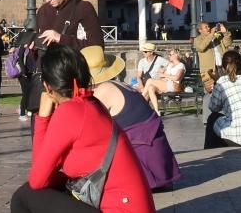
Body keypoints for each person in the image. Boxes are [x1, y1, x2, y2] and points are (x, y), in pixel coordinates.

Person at [10, 44, 154, 213]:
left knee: (24, 196)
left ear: (48, 86)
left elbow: (37, 180)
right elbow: (45, 173)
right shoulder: (92, 104)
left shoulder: (70, 111)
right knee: (55, 187)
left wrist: (42, 118)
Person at [84, 45, 181, 190]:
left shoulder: (103, 90)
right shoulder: (121, 85)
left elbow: (90, 128)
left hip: (146, 172)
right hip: (160, 165)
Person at [139, 49, 186, 113]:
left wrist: (164, 75)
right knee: (151, 87)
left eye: (170, 54)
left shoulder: (181, 65)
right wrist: (162, 73)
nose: (169, 56)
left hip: (174, 85)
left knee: (149, 80)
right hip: (166, 84)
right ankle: (157, 111)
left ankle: (140, 100)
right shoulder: (170, 65)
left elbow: (176, 78)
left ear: (176, 55)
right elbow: (162, 75)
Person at [191, 21, 232, 95]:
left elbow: (228, 43)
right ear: (200, 30)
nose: (208, 28)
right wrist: (211, 34)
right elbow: (201, 47)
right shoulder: (197, 39)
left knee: (226, 91)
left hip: (222, 68)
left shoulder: (217, 36)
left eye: (209, 26)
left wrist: (225, 33)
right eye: (206, 27)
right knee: (210, 92)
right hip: (209, 71)